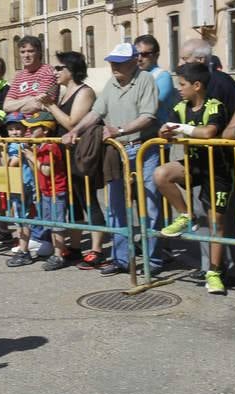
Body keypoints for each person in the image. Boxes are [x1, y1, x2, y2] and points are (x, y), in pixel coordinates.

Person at [62, 43, 162, 277]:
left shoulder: (145, 79)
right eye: (112, 61)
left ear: (133, 61)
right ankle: (121, 259)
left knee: (150, 207)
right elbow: (96, 112)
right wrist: (75, 130)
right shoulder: (111, 83)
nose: (114, 66)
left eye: (119, 62)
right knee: (116, 207)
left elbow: (148, 116)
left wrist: (119, 129)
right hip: (117, 152)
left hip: (143, 150)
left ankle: (153, 259)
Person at [154, 63, 232, 294]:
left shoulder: (214, 106)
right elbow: (164, 130)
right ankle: (186, 215)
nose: (179, 89)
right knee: (161, 174)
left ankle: (214, 273)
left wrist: (180, 129)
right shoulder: (180, 107)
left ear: (197, 86)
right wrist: (166, 132)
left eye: (182, 84)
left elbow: (209, 132)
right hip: (195, 165)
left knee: (216, 225)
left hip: (219, 171)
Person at [40, 51, 101, 268]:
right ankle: (75, 248)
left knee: (87, 200)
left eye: (58, 68)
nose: (54, 72)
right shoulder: (63, 93)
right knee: (72, 205)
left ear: (71, 70)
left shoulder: (85, 92)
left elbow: (72, 123)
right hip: (62, 156)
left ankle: (97, 249)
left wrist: (51, 106)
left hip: (81, 155)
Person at [18, 112, 69, 271]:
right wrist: (29, 157)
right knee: (51, 223)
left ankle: (59, 254)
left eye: (33, 128)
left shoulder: (51, 146)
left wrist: (32, 157)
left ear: (45, 130)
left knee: (57, 225)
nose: (29, 131)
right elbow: (37, 170)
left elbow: (46, 170)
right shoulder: (40, 146)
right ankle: (56, 252)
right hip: (46, 191)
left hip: (56, 191)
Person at [3, 112, 39, 267]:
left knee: (22, 218)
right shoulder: (10, 144)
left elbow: (11, 164)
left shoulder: (21, 144)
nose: (14, 132)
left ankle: (24, 251)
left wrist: (3, 152)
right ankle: (22, 249)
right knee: (18, 218)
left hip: (24, 185)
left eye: (18, 128)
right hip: (14, 184)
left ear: (25, 130)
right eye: (11, 129)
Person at [3, 36, 58, 115]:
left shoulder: (48, 71)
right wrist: (28, 99)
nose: (26, 55)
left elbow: (39, 104)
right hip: (17, 125)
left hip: (39, 123)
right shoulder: (19, 76)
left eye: (31, 51)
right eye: (22, 52)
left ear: (39, 52)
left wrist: (16, 105)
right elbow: (6, 106)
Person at [134, 35, 177, 125]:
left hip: (157, 132)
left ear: (156, 56)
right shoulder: (133, 75)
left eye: (145, 54)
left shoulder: (162, 76)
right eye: (136, 54)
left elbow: (151, 105)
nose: (139, 58)